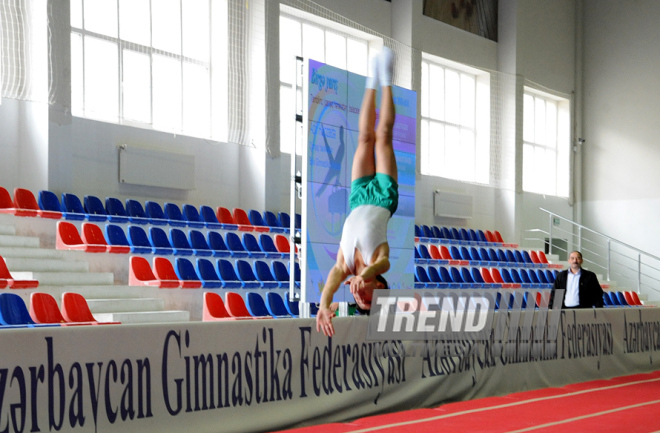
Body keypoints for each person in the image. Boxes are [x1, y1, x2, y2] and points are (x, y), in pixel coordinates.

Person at [316, 47, 398, 337]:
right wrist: (365, 275)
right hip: (384, 198)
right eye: (368, 298)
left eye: (358, 301)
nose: (360, 297)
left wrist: (325, 305)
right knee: (383, 137)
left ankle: (370, 80)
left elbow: (331, 282)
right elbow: (381, 265)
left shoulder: (345, 263)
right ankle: (386, 77)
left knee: (364, 138)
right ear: (379, 286)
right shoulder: (380, 260)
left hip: (358, 197)